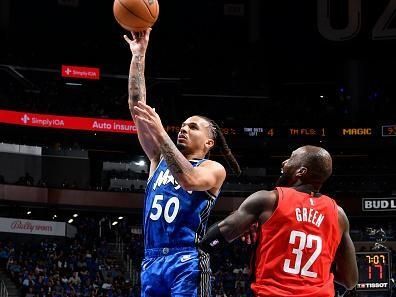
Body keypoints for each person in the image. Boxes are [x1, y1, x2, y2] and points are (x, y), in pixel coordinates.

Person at [123, 29, 241, 297]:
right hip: (151, 260)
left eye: (193, 127)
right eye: (183, 125)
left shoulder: (213, 169)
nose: (184, 129)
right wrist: (138, 55)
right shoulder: (158, 158)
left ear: (209, 143)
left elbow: (188, 179)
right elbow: (136, 106)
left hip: (186, 259)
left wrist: (161, 131)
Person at [199, 145, 358, 297]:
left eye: (291, 158)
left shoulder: (268, 200)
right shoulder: (338, 214)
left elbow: (211, 240)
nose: (284, 162)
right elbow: (350, 280)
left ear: (301, 172)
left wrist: (240, 221)